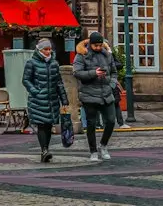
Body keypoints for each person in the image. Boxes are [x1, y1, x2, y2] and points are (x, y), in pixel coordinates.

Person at [73, 31, 119, 161]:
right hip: (89, 94)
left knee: (111, 121)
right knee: (91, 124)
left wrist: (112, 84)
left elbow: (114, 72)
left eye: (100, 45)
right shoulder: (82, 55)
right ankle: (93, 151)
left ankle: (103, 145)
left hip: (106, 93)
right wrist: (94, 73)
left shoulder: (107, 55)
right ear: (90, 45)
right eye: (96, 46)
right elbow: (77, 73)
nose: (98, 48)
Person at [22, 37, 69, 163]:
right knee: (42, 125)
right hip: (38, 99)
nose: (48, 52)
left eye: (49, 49)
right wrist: (35, 91)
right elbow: (26, 80)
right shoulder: (31, 63)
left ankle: (46, 149)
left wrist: (64, 99)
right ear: (40, 50)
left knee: (48, 125)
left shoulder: (54, 63)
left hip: (51, 99)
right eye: (46, 49)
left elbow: (59, 82)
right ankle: (44, 150)